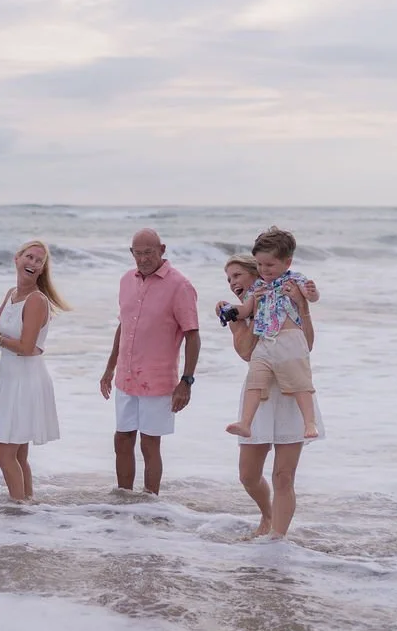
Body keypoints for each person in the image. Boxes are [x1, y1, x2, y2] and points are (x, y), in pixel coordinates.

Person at [221, 254, 325, 539]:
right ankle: (267, 514)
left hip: (292, 393)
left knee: (283, 476)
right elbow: (245, 353)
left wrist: (303, 306)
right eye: (229, 279)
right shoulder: (242, 308)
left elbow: (308, 345)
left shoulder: (288, 295)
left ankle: (277, 542)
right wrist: (242, 318)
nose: (232, 284)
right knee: (248, 475)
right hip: (260, 394)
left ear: (257, 272)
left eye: (237, 276)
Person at [99, 229, 200, 495]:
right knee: (122, 439)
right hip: (126, 377)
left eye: (149, 253)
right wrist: (110, 368)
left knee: (149, 444)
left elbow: (192, 335)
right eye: (138, 253)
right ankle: (123, 499)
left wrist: (186, 382)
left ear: (162, 250)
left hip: (158, 380)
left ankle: (150, 502)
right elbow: (123, 326)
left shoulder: (181, 285)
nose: (143, 259)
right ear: (131, 252)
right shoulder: (125, 281)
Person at [0, 240, 71, 501]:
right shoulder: (12, 293)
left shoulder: (36, 301)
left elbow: (24, 347)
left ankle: (17, 509)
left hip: (26, 381)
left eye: (39, 261)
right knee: (18, 453)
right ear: (17, 259)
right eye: (29, 257)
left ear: (42, 270)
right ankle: (27, 507)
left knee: (3, 452)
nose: (33, 263)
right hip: (10, 379)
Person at [221, 227, 321, 440]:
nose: (264, 270)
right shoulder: (258, 287)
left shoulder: (294, 280)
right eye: (259, 264)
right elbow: (246, 310)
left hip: (290, 340)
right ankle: (245, 423)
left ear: (287, 263)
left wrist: (310, 294)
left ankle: (310, 423)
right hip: (265, 341)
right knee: (255, 380)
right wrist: (230, 310)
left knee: (300, 382)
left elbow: (310, 298)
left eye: (269, 265)